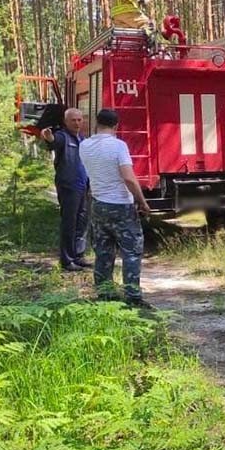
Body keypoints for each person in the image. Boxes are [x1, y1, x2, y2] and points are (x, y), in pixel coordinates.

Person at [78, 108, 152, 307]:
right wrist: (142, 202)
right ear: (116, 125)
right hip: (120, 205)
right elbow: (128, 177)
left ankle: (105, 295)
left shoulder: (84, 146)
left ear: (97, 123)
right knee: (131, 252)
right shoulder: (119, 146)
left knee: (103, 252)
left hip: (98, 204)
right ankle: (133, 297)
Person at [41, 108, 90, 272]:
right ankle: (67, 260)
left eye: (79, 120)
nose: (77, 123)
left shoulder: (82, 139)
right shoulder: (63, 137)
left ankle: (78, 255)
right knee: (69, 222)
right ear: (65, 122)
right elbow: (53, 142)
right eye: (73, 120)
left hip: (83, 186)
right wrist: (49, 138)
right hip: (69, 186)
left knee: (82, 221)